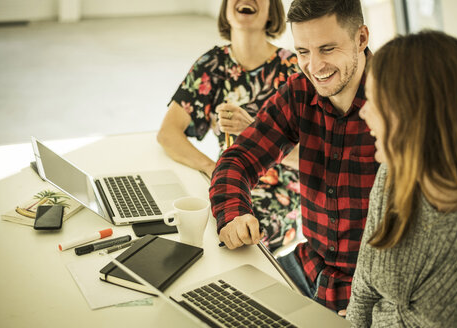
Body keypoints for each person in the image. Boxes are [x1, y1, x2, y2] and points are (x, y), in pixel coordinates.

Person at [209, 0, 379, 312]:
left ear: (361, 38)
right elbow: (238, 159)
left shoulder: (397, 100)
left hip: (366, 294)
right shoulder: (301, 90)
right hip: (309, 270)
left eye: (327, 49)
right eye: (303, 51)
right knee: (222, 303)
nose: (314, 66)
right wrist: (234, 214)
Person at [157, 0, 303, 252]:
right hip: (230, 180)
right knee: (176, 224)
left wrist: (254, 129)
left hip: (280, 191)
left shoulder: (293, 69)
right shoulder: (213, 64)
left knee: (243, 238)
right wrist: (213, 168)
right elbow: (168, 133)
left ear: (272, 10)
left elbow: (313, 157)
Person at [346, 30, 457, 327]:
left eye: (374, 101)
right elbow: (363, 285)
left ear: (412, 114)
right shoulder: (393, 172)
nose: (363, 113)